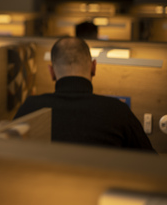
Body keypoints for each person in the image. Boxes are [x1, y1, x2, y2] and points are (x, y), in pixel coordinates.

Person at [13, 36, 156, 153]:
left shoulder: (30, 108)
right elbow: (150, 165)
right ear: (94, 67)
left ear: (51, 72)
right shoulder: (118, 111)